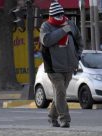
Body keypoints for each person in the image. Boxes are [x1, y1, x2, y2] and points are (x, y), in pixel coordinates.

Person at [39, 0, 83, 128]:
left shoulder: (70, 24)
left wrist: (77, 56)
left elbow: (79, 42)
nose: (60, 18)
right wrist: (63, 30)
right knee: (61, 93)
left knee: (59, 95)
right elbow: (46, 40)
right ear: (52, 16)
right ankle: (65, 119)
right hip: (54, 68)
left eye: (61, 15)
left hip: (69, 66)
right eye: (56, 16)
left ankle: (52, 117)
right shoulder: (46, 26)